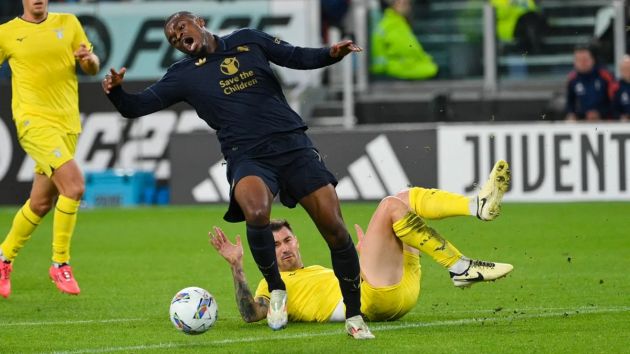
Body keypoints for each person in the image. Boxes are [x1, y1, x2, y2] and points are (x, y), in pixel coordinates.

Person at [101, 11, 371, 338]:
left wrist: (331, 54)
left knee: (335, 230)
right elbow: (136, 106)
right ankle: (277, 290)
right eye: (172, 38)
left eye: (180, 28)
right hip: (248, 155)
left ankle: (354, 317)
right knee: (255, 210)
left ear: (198, 22)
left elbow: (296, 56)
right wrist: (116, 92)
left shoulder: (248, 40)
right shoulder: (182, 75)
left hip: (293, 145)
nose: (177, 37)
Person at [210, 160, 513, 326]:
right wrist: (237, 266)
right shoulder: (273, 287)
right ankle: (459, 266)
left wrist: (367, 256)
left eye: (287, 240)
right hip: (376, 299)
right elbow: (252, 315)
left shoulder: (314, 270)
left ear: (297, 241)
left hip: (402, 288)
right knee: (389, 207)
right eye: (275, 246)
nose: (284, 248)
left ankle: (475, 205)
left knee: (403, 199)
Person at [0, 0, 100, 298]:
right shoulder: (6, 33)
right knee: (74, 186)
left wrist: (87, 58)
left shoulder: (68, 23)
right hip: (34, 122)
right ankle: (60, 263)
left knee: (40, 203)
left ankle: (3, 259)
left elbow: (91, 66)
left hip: (68, 123)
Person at [370, 0, 438, 80]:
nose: (404, 4)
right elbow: (406, 50)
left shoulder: (400, 24)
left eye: (406, 3)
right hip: (394, 73)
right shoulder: (392, 25)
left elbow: (412, 50)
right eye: (400, 2)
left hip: (400, 70)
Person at [565, 45, 616, 121]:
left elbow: (616, 101)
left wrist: (600, 113)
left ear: (592, 60)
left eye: (585, 59)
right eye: (579, 60)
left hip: (607, 121)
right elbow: (570, 104)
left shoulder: (605, 76)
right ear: (574, 62)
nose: (582, 63)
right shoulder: (572, 79)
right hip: (583, 122)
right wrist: (573, 114)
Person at [612, 55, 630, 122]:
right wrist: (620, 116)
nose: (627, 71)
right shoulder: (616, 87)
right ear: (621, 70)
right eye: (625, 69)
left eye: (628, 68)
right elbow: (613, 108)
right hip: (622, 125)